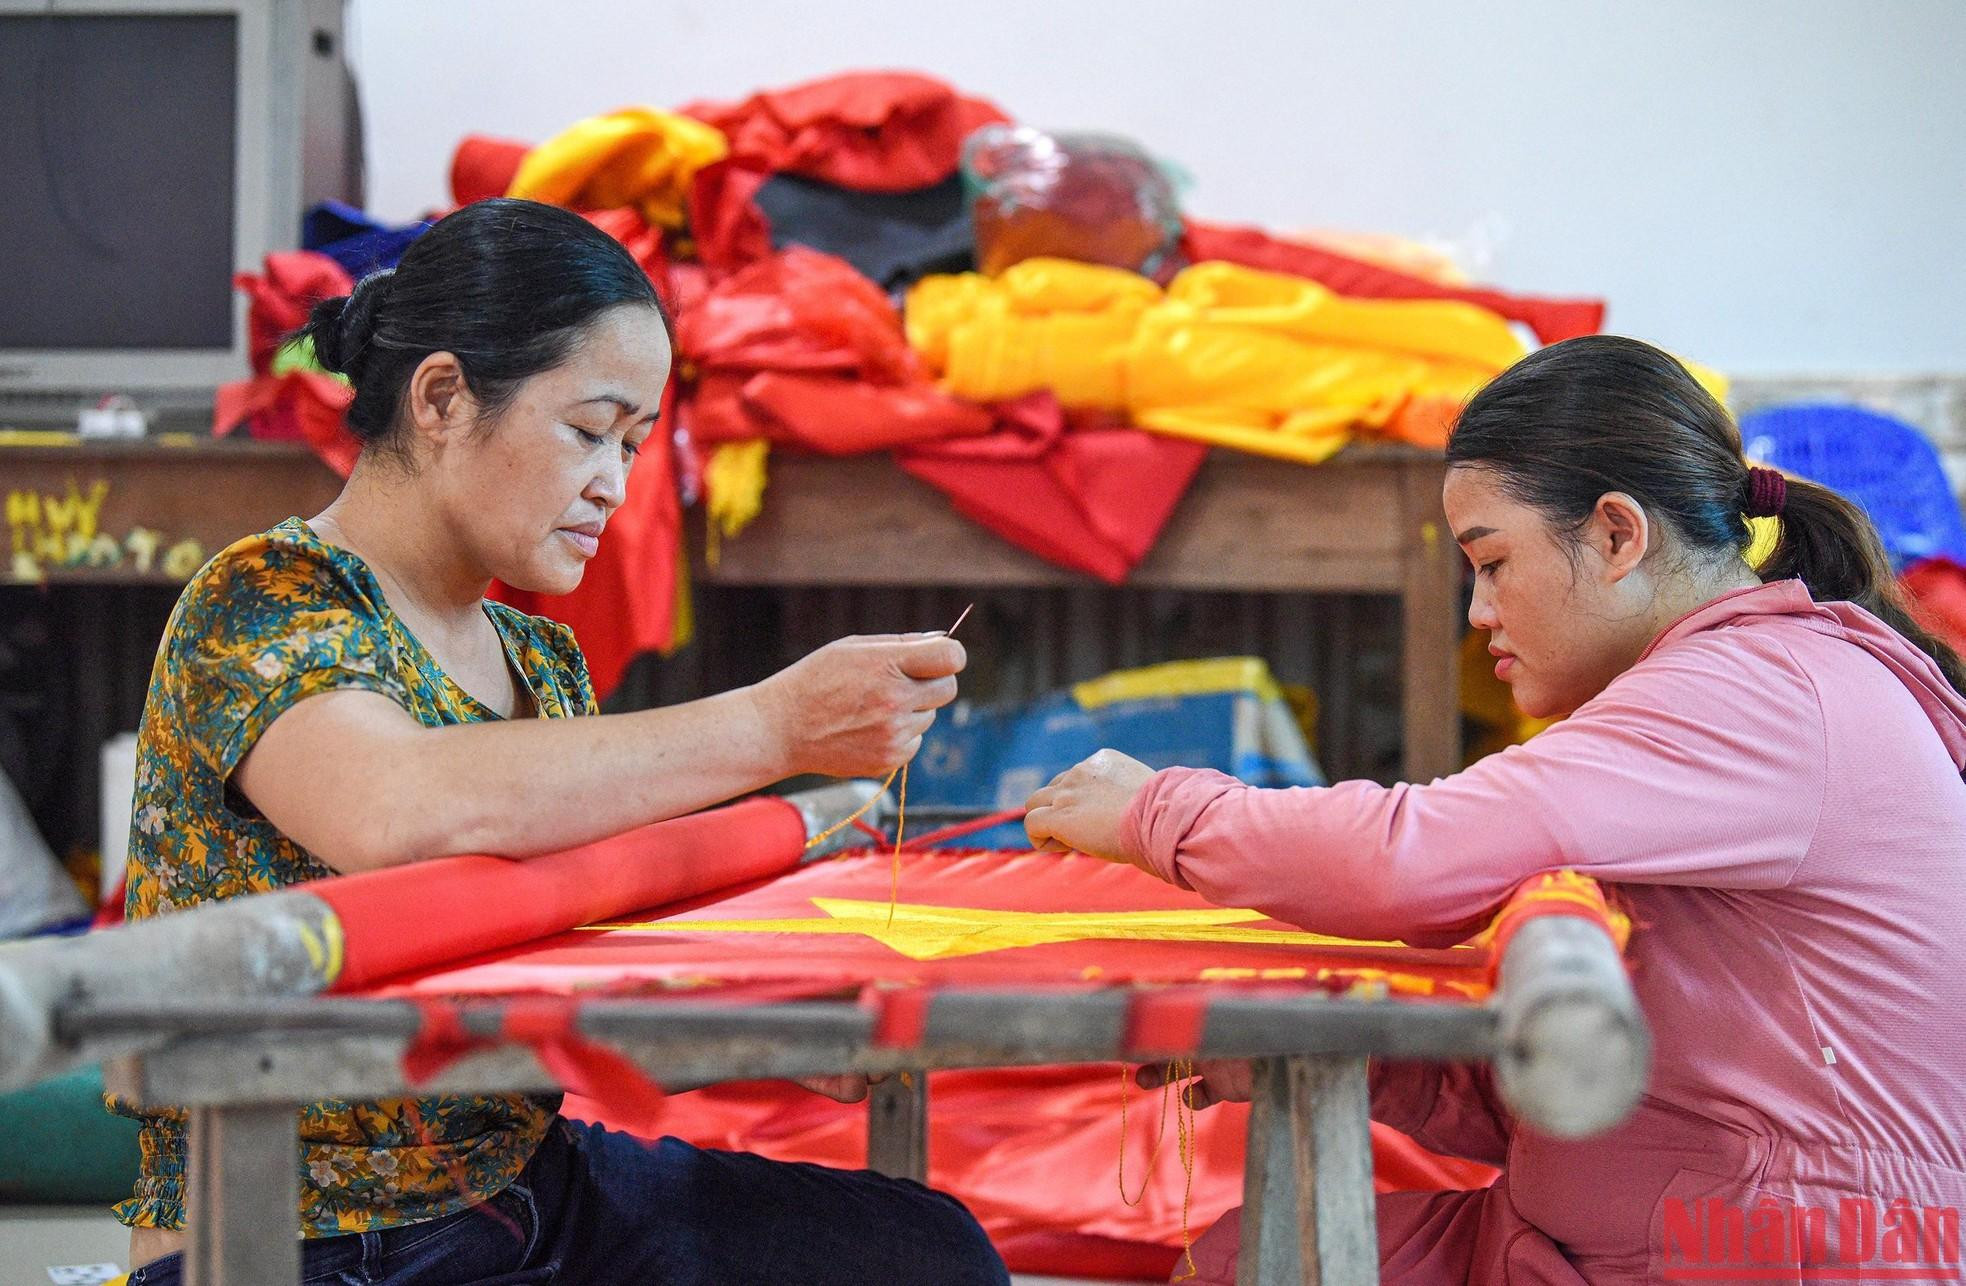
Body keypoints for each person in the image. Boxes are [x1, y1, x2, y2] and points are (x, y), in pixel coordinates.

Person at [117, 199, 1005, 1285]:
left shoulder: (541, 662)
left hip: (529, 1193)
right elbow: (399, 810)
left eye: (635, 446)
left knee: (928, 1257)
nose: (615, 487)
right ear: (442, 396)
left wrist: (765, 1035)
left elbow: (567, 976)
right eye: (589, 431)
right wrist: (776, 725)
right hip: (294, 1236)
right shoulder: (259, 600)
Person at [1024, 336, 1966, 1284]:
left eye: (1493, 561)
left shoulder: (1753, 693)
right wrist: (1372, 1065)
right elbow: (1668, 1083)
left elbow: (1407, 855)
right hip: (1685, 1218)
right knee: (1253, 1253)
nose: (1478, 613)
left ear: (1615, 536)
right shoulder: (1753, 677)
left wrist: (1154, 809)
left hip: (1796, 1253)